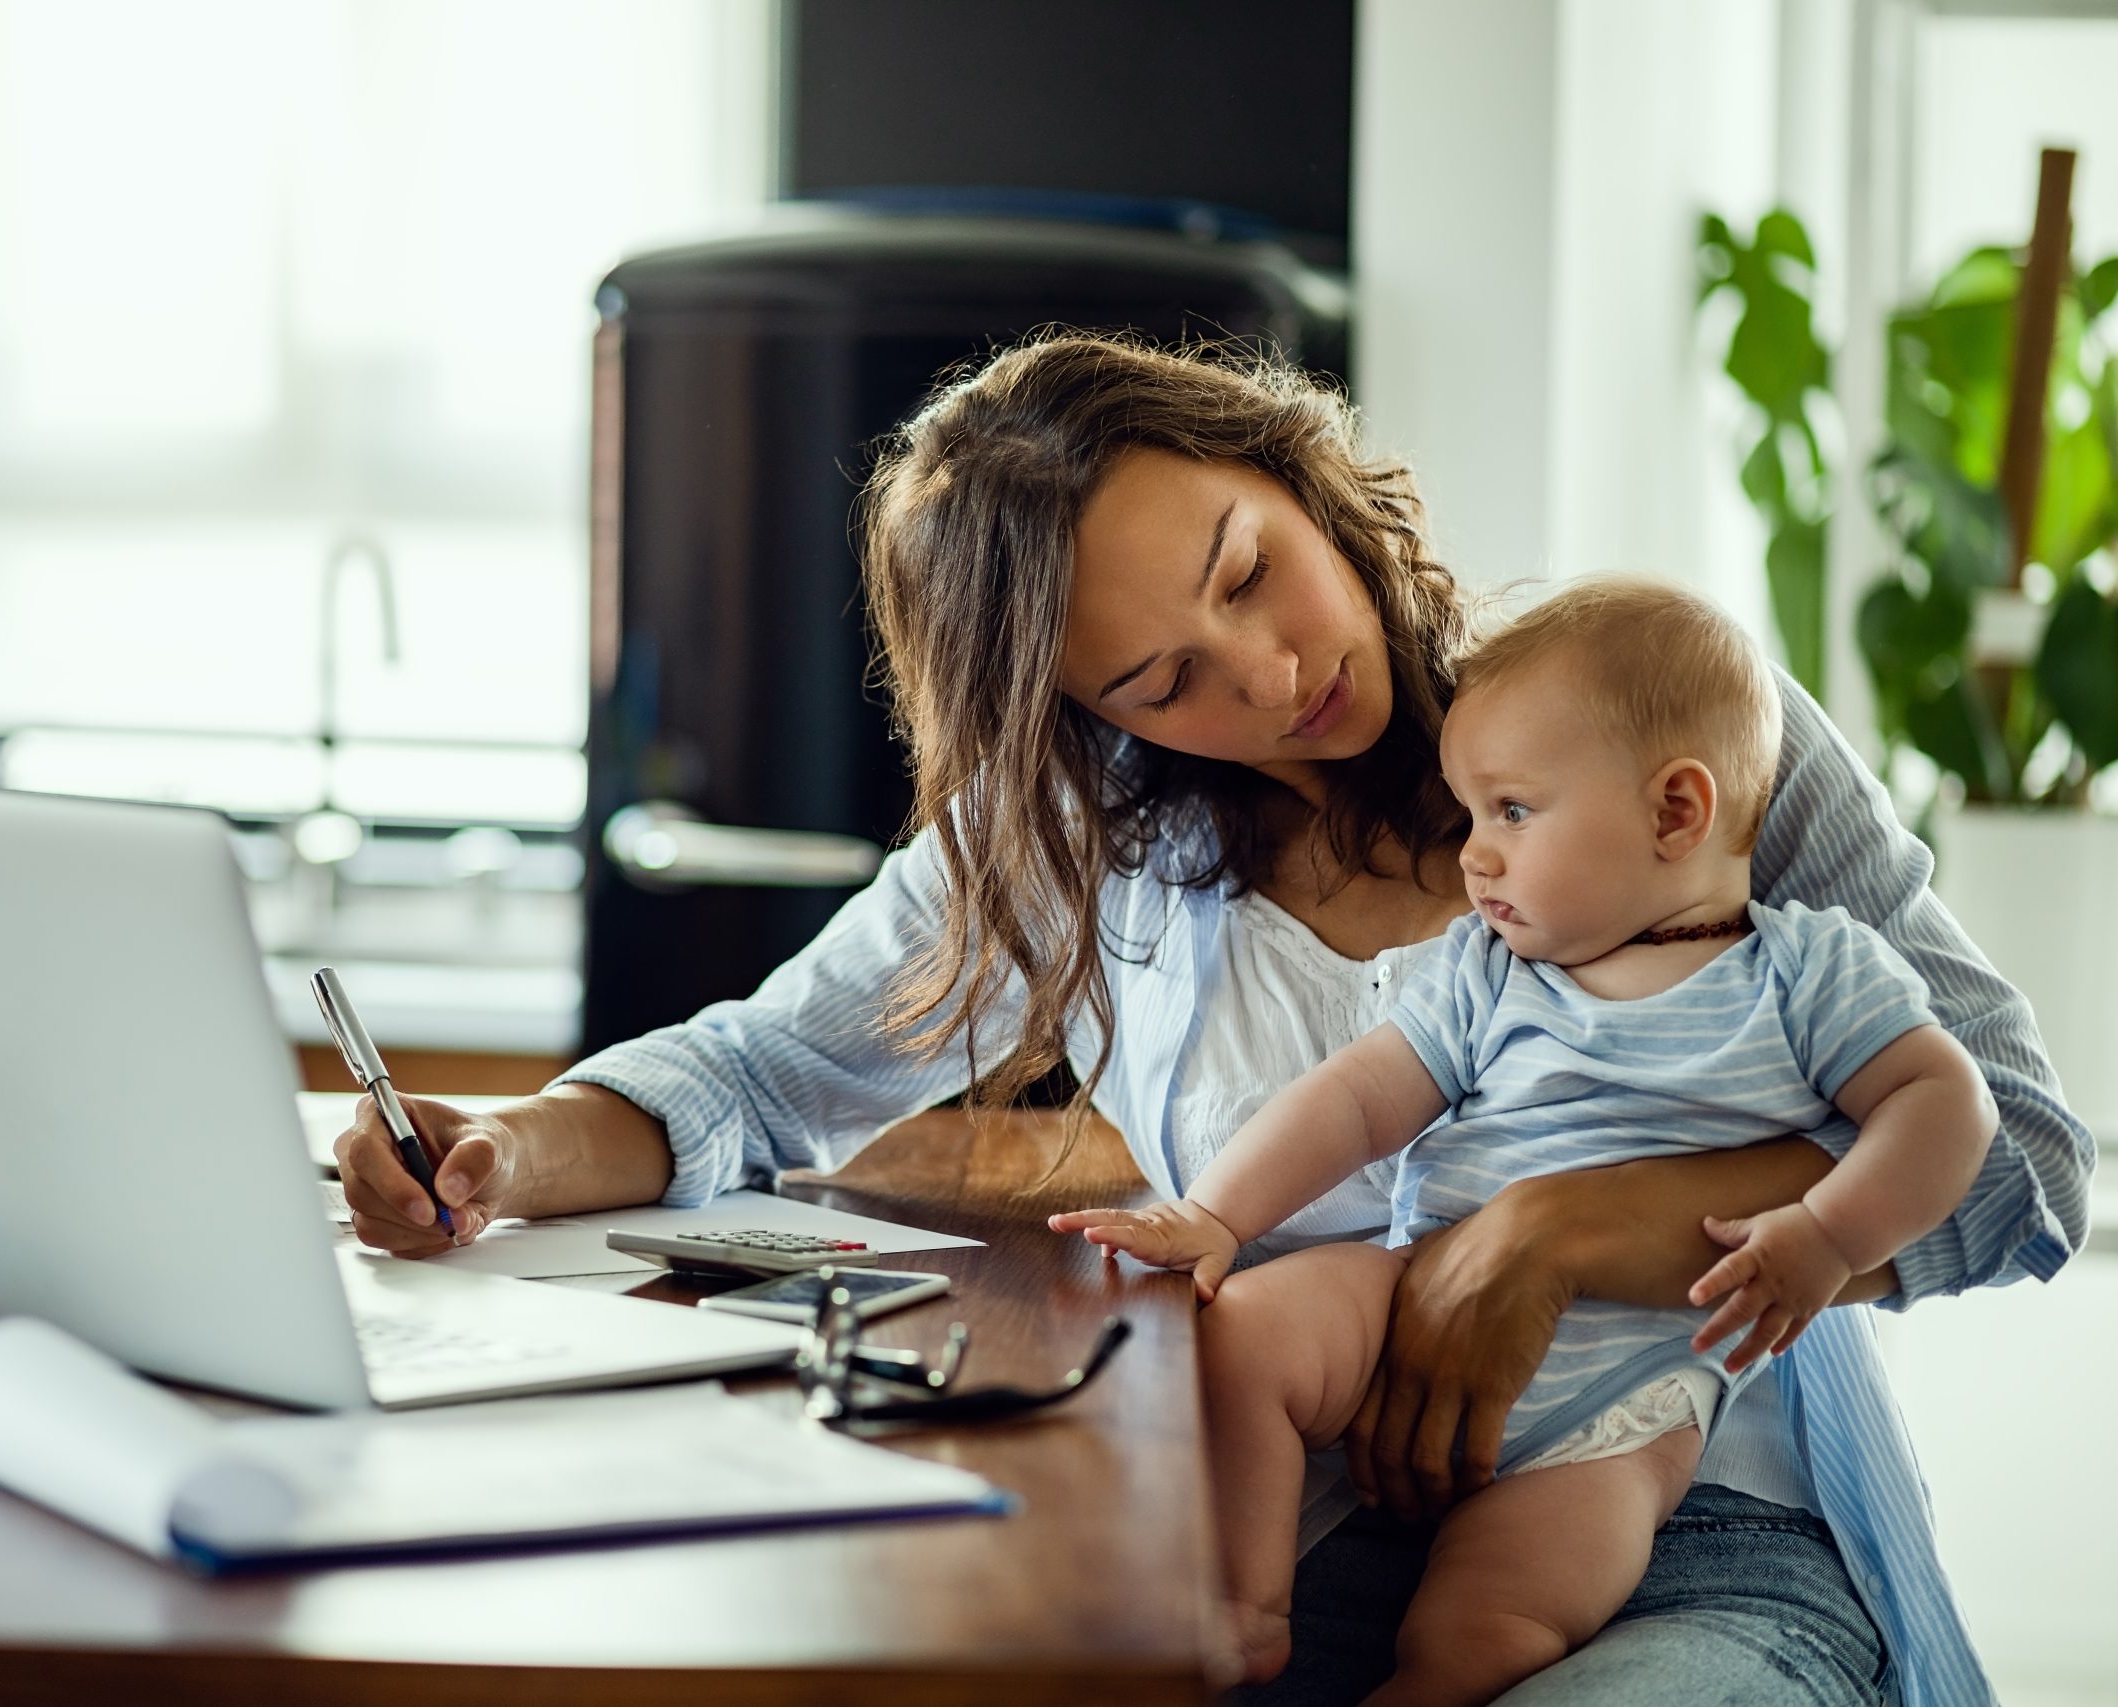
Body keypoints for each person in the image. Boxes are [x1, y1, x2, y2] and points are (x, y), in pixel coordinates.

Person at [333, 334, 2091, 1706]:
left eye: (1250, 573)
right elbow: (751, 1072)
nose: (1265, 677)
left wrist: (1552, 1234)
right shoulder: (1088, 839)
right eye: (1159, 679)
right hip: (1301, 1540)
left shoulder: (1654, 722)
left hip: (1699, 1527)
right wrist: (497, 1151)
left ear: (1296, 473)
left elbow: (2023, 1169)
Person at [1048, 578, 1998, 1702]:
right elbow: (1354, 1101)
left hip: (1629, 1404)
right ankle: (1245, 1611)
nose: (1474, 859)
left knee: (1484, 1624)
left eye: (1510, 812)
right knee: (1247, 1336)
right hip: (1417, 1298)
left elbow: (1952, 1105)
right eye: (1468, 815)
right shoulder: (1491, 973)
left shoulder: (1806, 974)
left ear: (1674, 814)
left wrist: (1831, 1235)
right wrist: (1215, 1217)